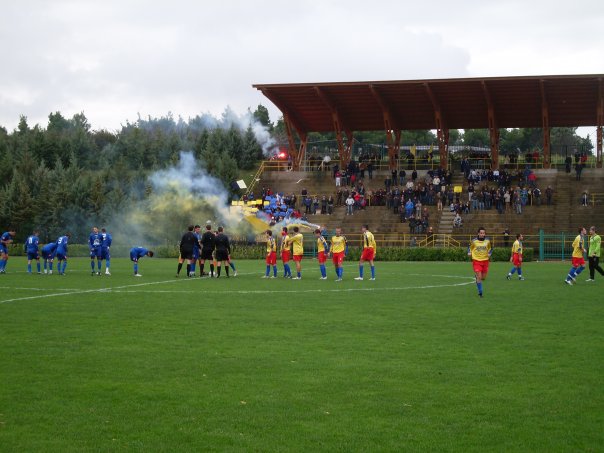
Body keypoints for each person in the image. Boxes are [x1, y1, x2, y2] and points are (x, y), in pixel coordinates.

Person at [468, 227, 492, 298]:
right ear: (478, 233)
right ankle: (480, 292)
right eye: (481, 233)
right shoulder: (474, 241)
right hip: (476, 260)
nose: (482, 234)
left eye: (483, 233)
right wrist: (469, 252)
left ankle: (477, 277)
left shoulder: (487, 241)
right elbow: (469, 247)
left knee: (483, 278)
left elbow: (491, 248)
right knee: (479, 276)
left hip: (485, 261)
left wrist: (490, 253)